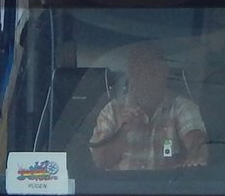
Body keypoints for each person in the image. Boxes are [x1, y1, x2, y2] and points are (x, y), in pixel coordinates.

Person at [89, 42, 209, 170]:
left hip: (169, 188)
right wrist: (123, 132)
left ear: (165, 72)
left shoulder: (182, 107)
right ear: (131, 75)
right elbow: (100, 161)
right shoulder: (112, 111)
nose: (146, 79)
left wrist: (195, 157)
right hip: (122, 189)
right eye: (139, 72)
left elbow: (197, 141)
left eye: (154, 72)